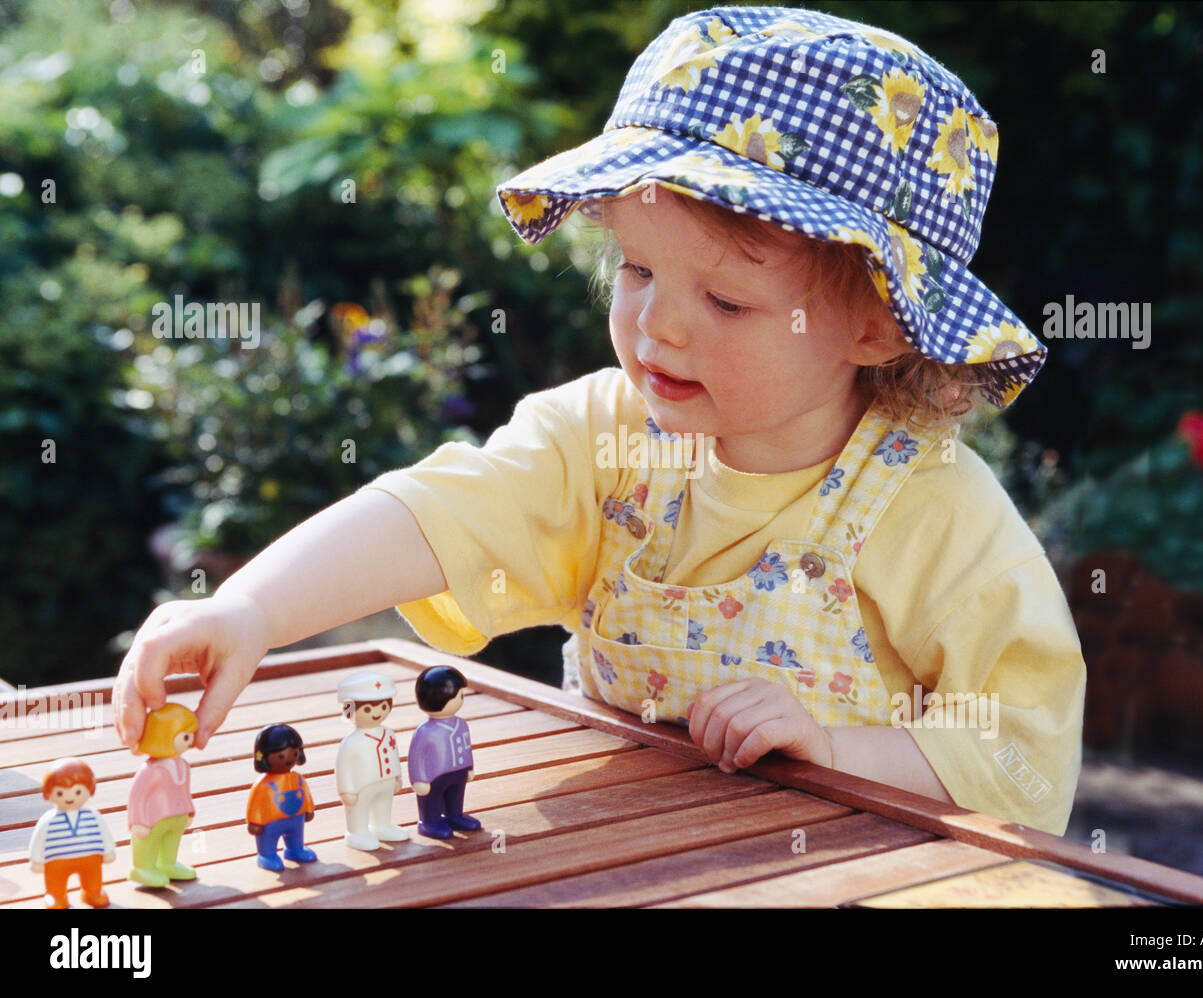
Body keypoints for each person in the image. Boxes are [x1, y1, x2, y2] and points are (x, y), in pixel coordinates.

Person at [111, 7, 1084, 835]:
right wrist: (252, 609)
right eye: (637, 267)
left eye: (727, 301)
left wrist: (838, 749)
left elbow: (1024, 748)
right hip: (623, 858)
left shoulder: (933, 509)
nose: (656, 322)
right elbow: (444, 512)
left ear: (877, 323)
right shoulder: (603, 438)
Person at [29, 757, 116, 909]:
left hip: (91, 857)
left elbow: (105, 833)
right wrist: (37, 860)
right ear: (48, 793)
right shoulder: (48, 821)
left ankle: (92, 892)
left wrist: (108, 851)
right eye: (61, 793)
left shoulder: (94, 816)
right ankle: (56, 895)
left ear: (90, 790)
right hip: (57, 860)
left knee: (93, 879)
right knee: (56, 882)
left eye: (77, 791)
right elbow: (38, 839)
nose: (69, 797)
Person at [335, 672, 409, 850]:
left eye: (383, 706)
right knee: (359, 810)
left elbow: (393, 755)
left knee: (383, 805)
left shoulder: (388, 733)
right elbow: (343, 767)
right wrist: (346, 790)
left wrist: (397, 777)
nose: (377, 712)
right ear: (349, 710)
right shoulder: (351, 741)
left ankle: (381, 826)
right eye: (367, 709)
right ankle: (356, 832)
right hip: (362, 786)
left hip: (386, 781)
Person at [128, 702, 198, 886]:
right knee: (148, 843)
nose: (190, 740)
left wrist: (189, 811)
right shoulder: (150, 770)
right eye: (184, 736)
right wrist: (137, 821)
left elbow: (184, 791)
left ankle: (168, 863)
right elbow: (137, 797)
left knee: (171, 841)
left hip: (177, 816)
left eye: (190, 735)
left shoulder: (183, 765)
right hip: (152, 819)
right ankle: (142, 867)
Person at [409, 666, 481, 839]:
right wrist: (418, 779)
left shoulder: (461, 724)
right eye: (459, 695)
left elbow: (466, 746)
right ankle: (429, 821)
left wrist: (470, 767)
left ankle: (454, 815)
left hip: (459, 771)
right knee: (431, 799)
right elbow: (415, 758)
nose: (462, 699)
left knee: (455, 795)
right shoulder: (425, 731)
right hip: (434, 776)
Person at [247, 723, 319, 870]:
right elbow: (256, 803)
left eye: (294, 753)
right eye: (281, 755)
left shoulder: (298, 778)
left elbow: (306, 795)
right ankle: (266, 855)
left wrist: (309, 809)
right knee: (268, 841)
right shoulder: (263, 784)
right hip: (270, 821)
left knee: (296, 836)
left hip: (296, 819)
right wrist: (254, 822)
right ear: (264, 757)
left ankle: (295, 849)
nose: (289, 759)